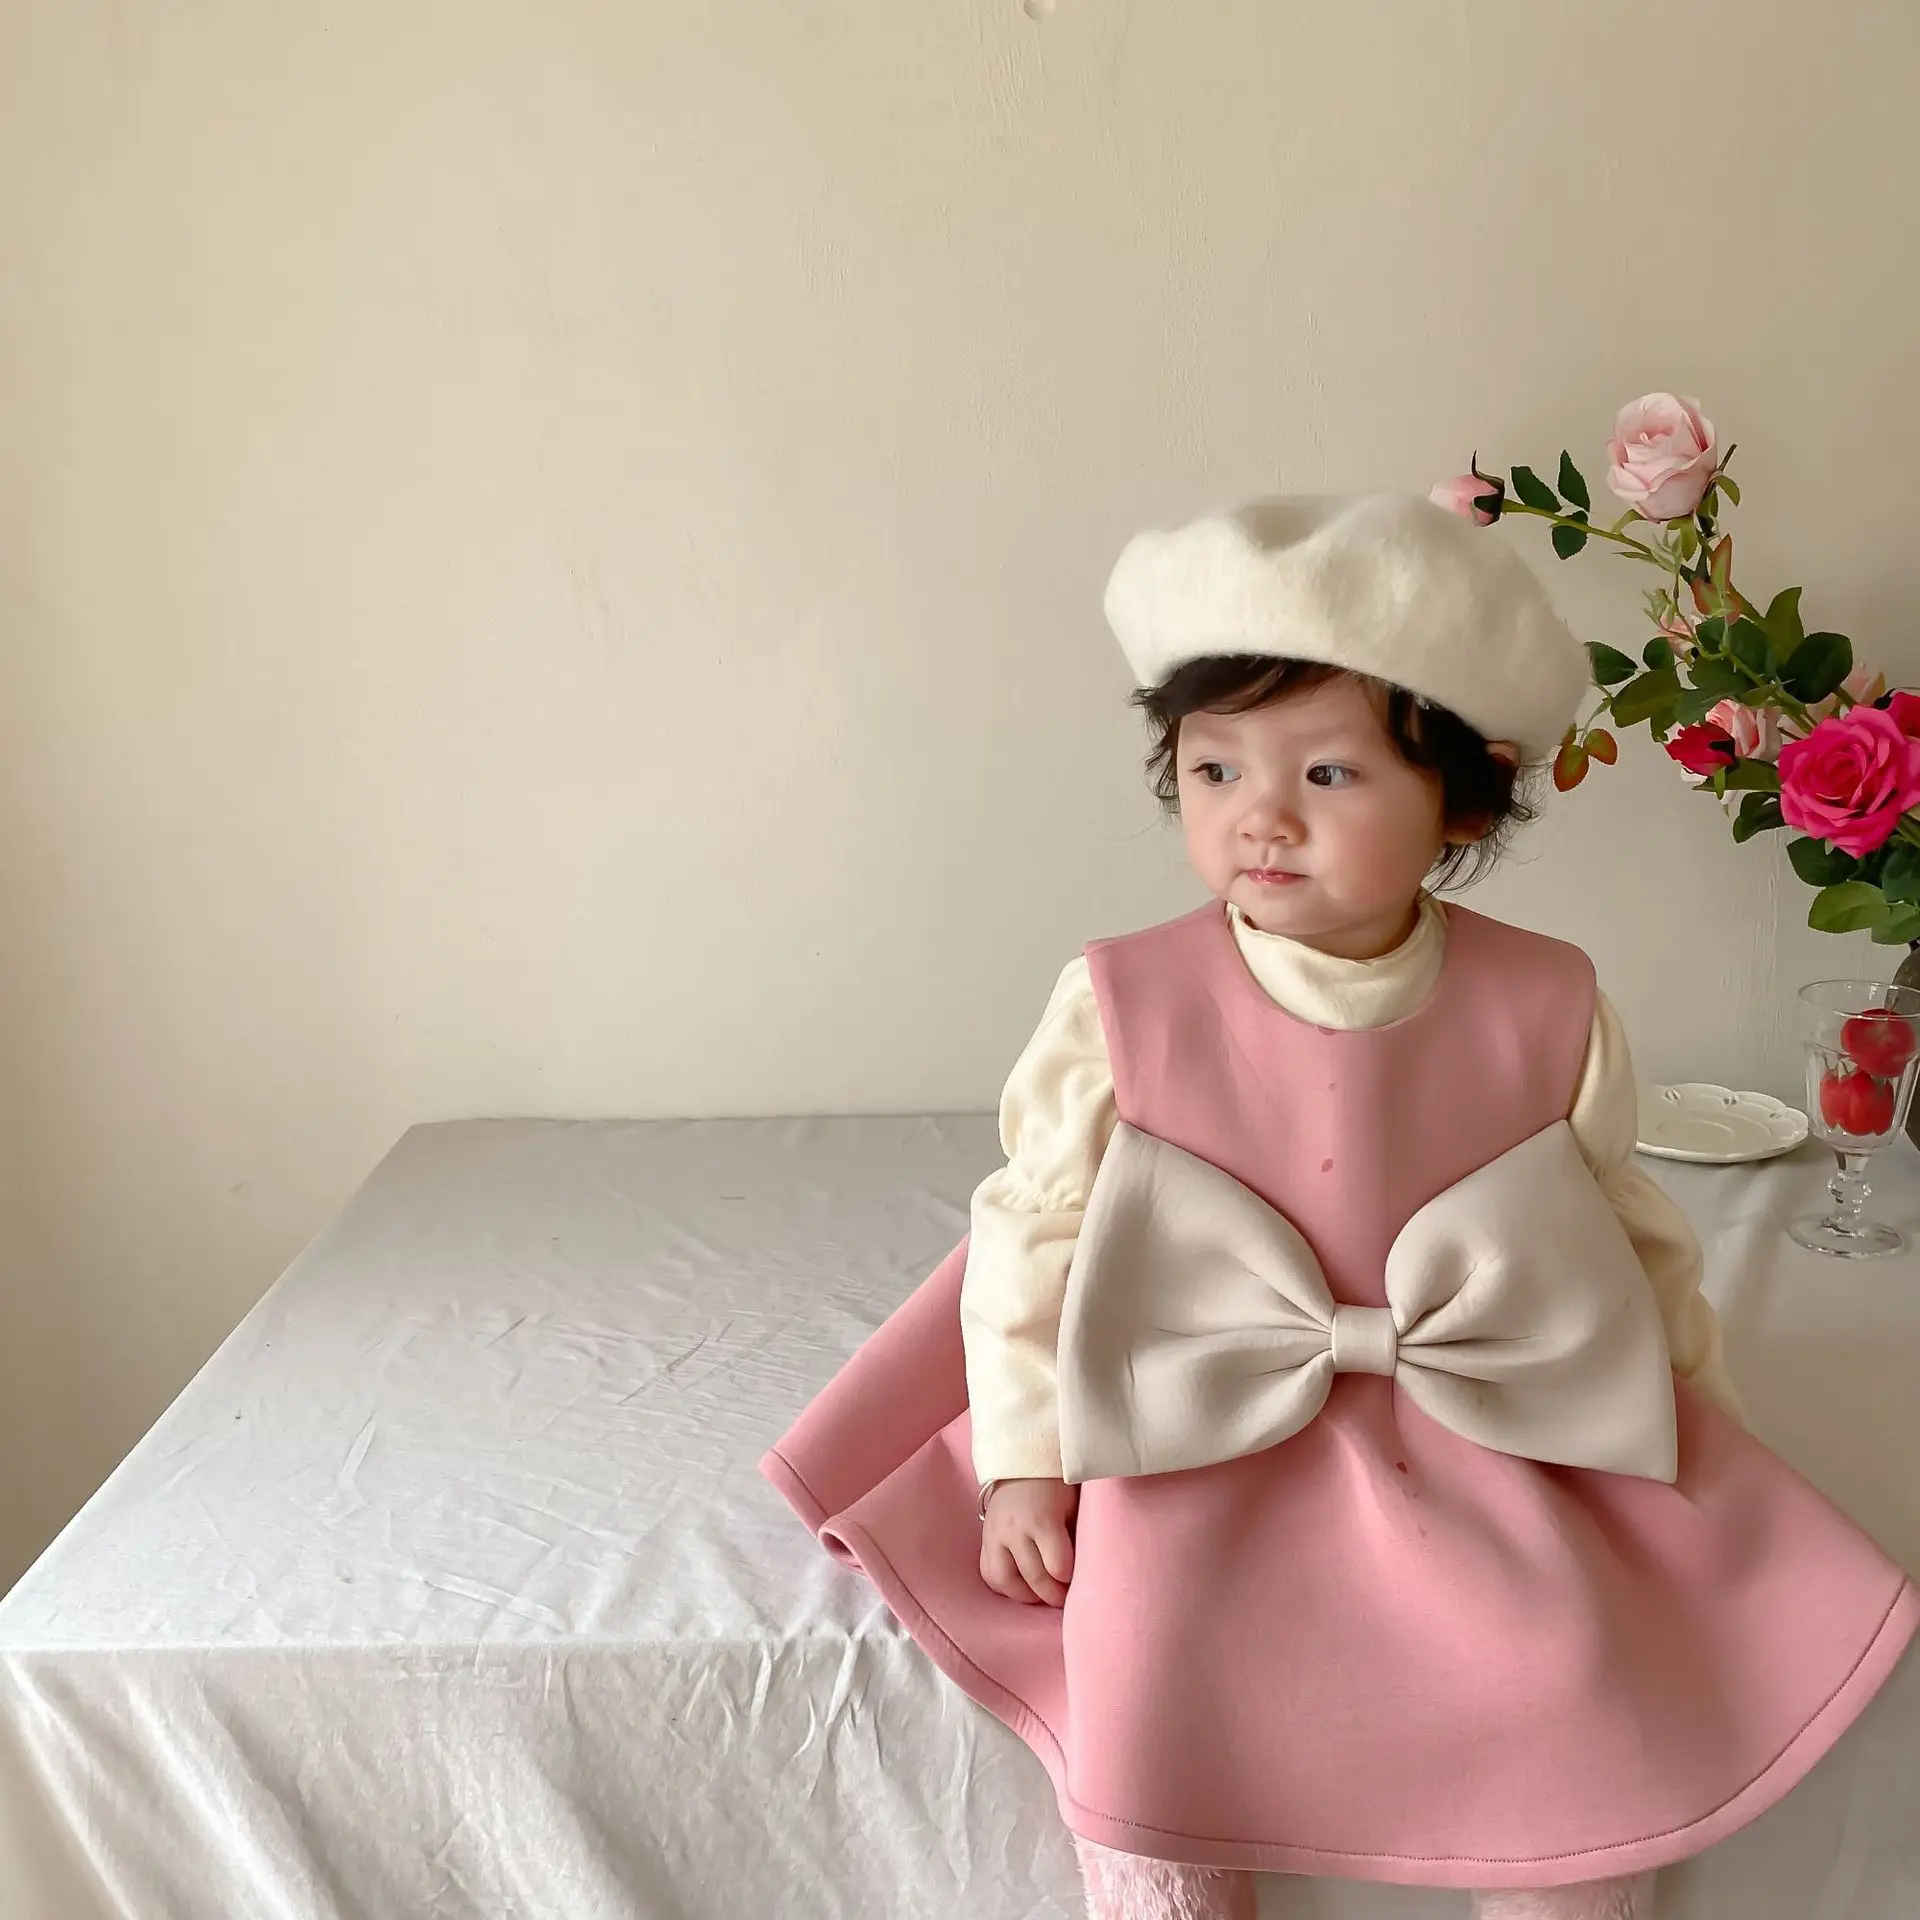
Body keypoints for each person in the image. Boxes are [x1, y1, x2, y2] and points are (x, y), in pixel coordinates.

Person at [761, 495, 1917, 1920]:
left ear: (1464, 801)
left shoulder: (1548, 1000)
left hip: (1474, 1423)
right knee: (1154, 1659)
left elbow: (1625, 1239)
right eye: (1213, 768)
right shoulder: (1121, 1003)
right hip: (1188, 1421)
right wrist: (1025, 1460)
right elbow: (1036, 1232)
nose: (1261, 815)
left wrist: (1697, 1427)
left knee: (1571, 1674)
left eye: (1328, 771)